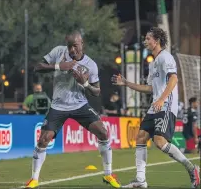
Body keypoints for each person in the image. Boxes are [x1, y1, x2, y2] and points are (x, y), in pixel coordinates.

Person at [25, 30, 121, 189]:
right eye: (69, 46)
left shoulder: (90, 65)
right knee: (44, 139)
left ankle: (108, 174)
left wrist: (85, 84)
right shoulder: (58, 52)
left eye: (75, 46)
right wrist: (58, 66)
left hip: (80, 105)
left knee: (103, 132)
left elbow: (96, 92)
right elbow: (38, 67)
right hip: (58, 105)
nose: (72, 50)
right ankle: (34, 179)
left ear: (82, 44)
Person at [111, 27, 200, 188]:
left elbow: (173, 79)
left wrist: (161, 99)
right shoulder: (153, 64)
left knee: (159, 141)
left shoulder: (166, 57)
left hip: (166, 106)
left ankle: (192, 168)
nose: (146, 41)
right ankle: (140, 180)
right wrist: (126, 83)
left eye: (148, 38)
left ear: (157, 41)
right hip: (155, 107)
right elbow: (149, 88)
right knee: (141, 137)